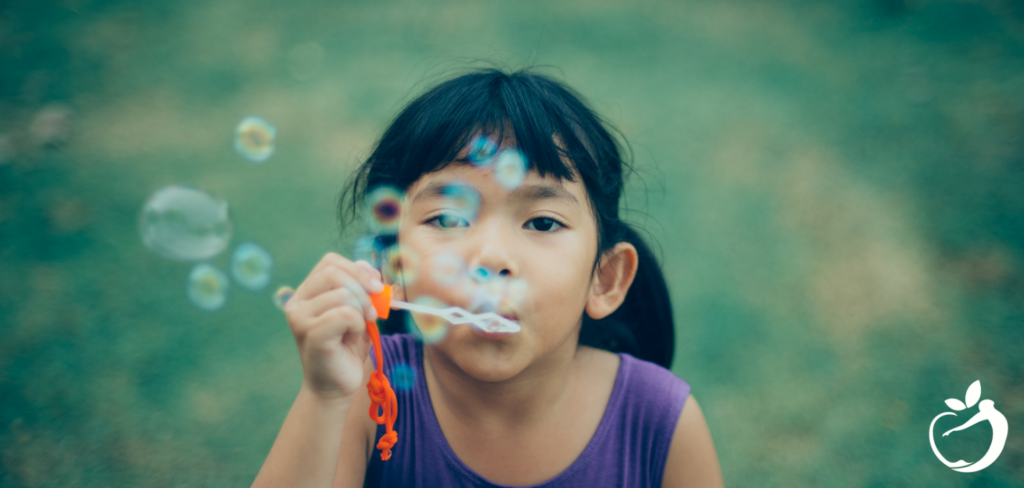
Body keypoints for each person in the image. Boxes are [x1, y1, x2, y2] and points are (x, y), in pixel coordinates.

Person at [251, 68, 724, 488]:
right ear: (394, 268)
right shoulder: (366, 393)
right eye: (449, 219)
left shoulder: (662, 423)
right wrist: (325, 396)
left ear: (605, 279)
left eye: (542, 223)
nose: (491, 257)